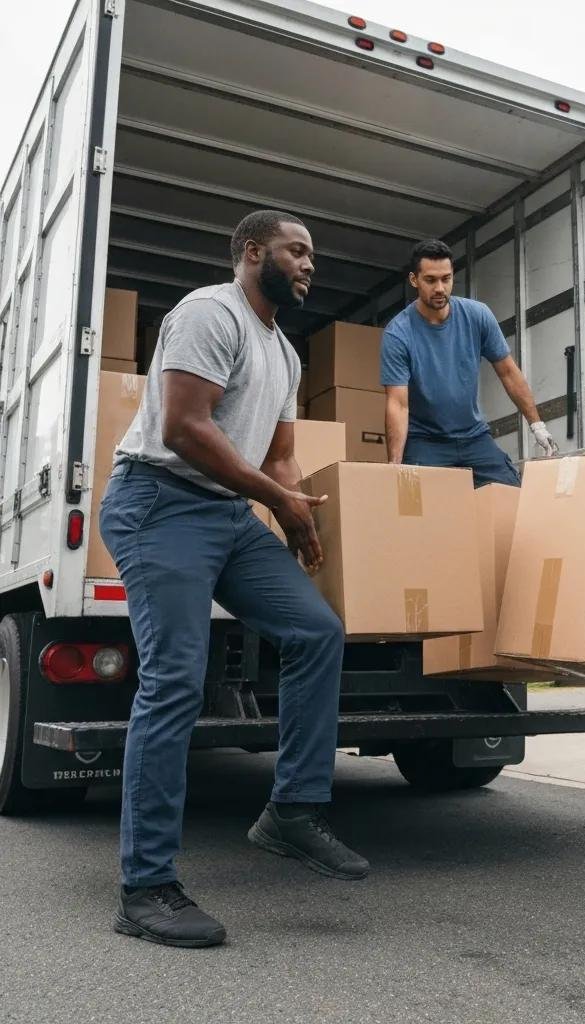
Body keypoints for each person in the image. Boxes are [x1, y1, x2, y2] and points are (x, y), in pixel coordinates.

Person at [101, 210, 368, 950]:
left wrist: (296, 513)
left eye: (313, 253)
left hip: (226, 513)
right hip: (158, 502)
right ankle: (145, 888)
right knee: (176, 679)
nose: (311, 264)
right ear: (254, 252)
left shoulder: (284, 351)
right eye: (297, 250)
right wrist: (273, 496)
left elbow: (280, 455)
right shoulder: (207, 313)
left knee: (316, 632)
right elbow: (187, 426)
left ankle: (292, 811)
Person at [381, 238, 558, 487]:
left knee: (511, 498)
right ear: (414, 280)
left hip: (474, 437)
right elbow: (398, 404)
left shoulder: (478, 315)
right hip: (426, 443)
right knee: (416, 509)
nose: (440, 288)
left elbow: (508, 372)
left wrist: (537, 424)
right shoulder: (398, 333)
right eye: (430, 280)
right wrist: (396, 464)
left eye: (446, 278)